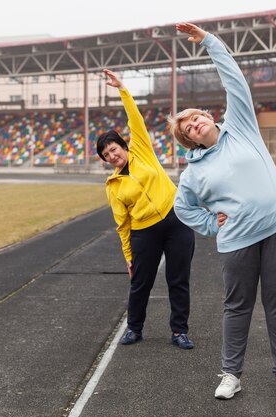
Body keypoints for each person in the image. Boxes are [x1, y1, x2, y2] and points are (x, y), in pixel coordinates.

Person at [169, 23, 276, 402]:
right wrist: (211, 223)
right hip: (236, 241)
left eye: (196, 116)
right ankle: (231, 374)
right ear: (189, 140)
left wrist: (209, 42)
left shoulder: (240, 126)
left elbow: (234, 80)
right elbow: (183, 208)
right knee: (237, 308)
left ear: (209, 116)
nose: (195, 123)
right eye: (188, 127)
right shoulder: (193, 172)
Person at [97, 68, 195, 349]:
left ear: (123, 145)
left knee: (178, 280)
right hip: (143, 232)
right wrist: (128, 256)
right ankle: (134, 328)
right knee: (140, 283)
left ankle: (179, 331)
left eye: (114, 149)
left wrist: (122, 89)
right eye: (106, 156)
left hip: (175, 220)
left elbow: (134, 118)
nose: (112, 156)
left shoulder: (142, 149)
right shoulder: (113, 184)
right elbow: (122, 223)